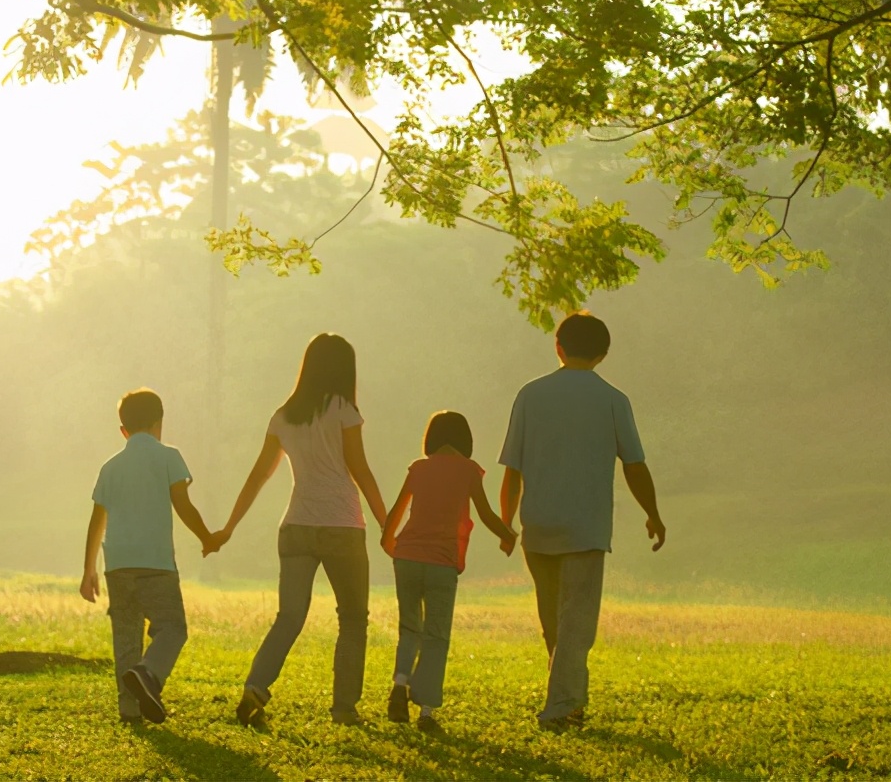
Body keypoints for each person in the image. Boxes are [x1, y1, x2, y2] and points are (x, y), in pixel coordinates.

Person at [498, 312, 666, 731]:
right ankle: (563, 705)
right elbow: (634, 464)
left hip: (538, 523)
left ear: (558, 346)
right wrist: (653, 513)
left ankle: (565, 699)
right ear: (604, 353)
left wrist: (505, 522)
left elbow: (512, 469)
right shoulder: (613, 399)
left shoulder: (530, 395)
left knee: (553, 618)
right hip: (586, 526)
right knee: (576, 620)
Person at [209, 333, 387, 726]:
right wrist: (386, 522)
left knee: (289, 616)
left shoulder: (283, 415)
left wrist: (229, 527)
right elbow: (359, 470)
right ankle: (344, 709)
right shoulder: (344, 409)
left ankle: (256, 684)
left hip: (296, 528)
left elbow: (259, 475)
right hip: (342, 525)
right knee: (353, 619)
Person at [80, 388, 219, 725]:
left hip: (119, 565)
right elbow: (182, 505)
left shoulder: (110, 467)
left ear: (123, 430)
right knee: (172, 628)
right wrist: (206, 537)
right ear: (159, 423)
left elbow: (98, 520)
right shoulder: (169, 456)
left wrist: (89, 570)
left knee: (126, 636)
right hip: (156, 564)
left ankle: (130, 710)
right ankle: (149, 673)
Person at [380, 410, 517, 732]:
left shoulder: (419, 468)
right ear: (465, 440)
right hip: (441, 562)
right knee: (436, 635)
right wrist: (508, 536)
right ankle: (426, 712)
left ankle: (399, 685)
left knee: (409, 628)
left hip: (408, 558)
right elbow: (484, 513)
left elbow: (396, 511)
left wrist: (391, 544)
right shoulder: (468, 470)